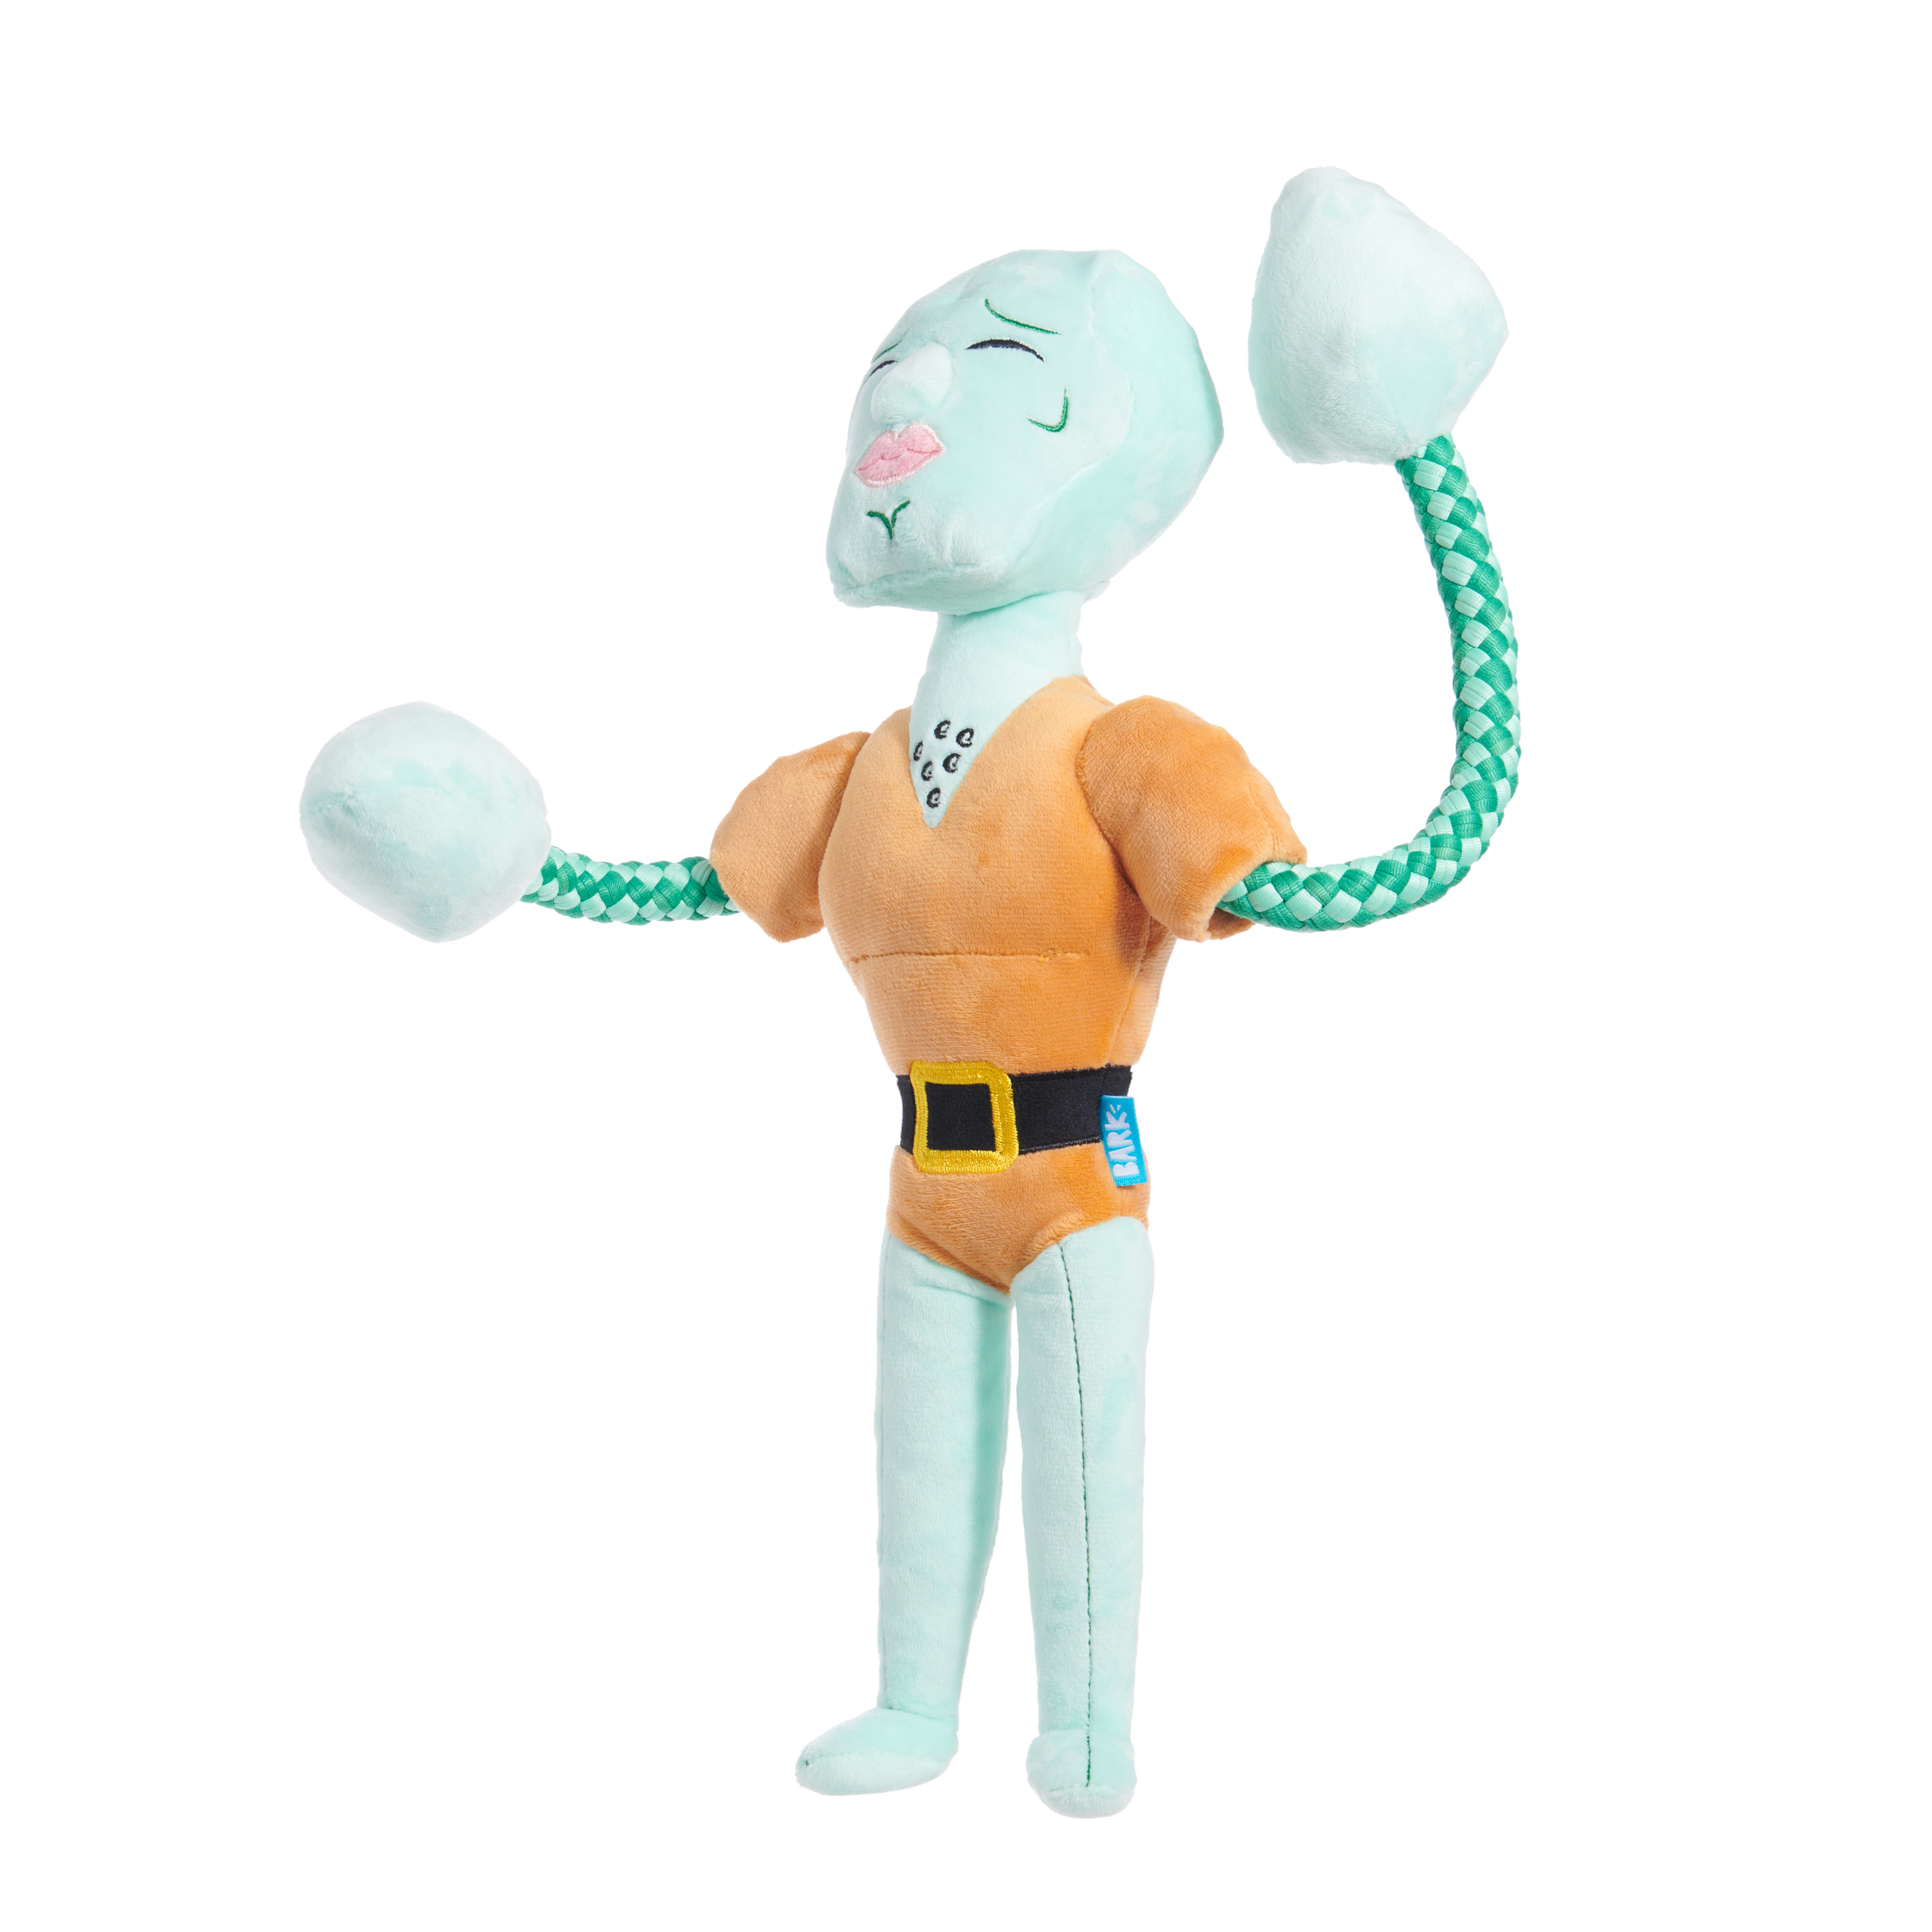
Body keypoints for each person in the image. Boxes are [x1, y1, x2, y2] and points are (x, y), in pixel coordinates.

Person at [711, 247, 1307, 1817]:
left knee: (1084, 1458)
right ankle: (916, 1701)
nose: (912, 398)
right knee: (919, 1459)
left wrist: (1249, 868)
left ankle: (1087, 1724)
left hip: (1071, 1176)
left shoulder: (1127, 750)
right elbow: (703, 882)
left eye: (999, 362)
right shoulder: (856, 769)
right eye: (897, 370)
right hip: (926, 1182)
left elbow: (1246, 864)